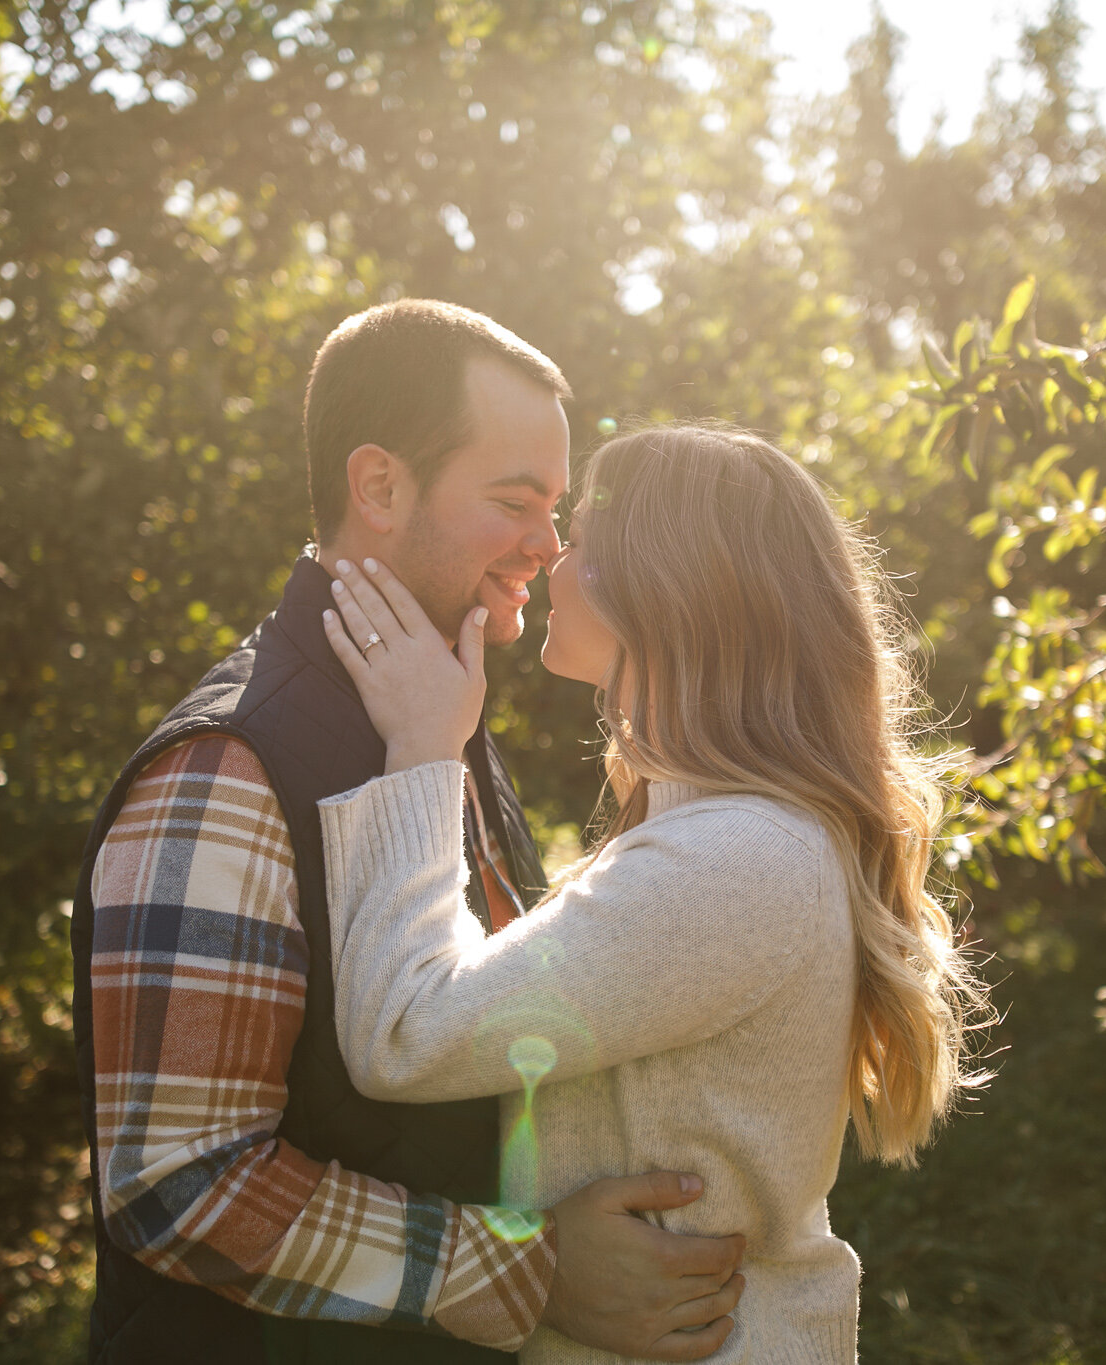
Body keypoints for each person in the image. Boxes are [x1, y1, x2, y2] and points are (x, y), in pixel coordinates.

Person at [70, 305, 748, 1364]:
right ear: (379, 487)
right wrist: (532, 1272)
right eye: (515, 503)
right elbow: (179, 1181)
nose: (549, 546)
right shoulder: (228, 770)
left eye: (554, 508)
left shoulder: (434, 719)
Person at [315, 424, 991, 1363]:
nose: (549, 550)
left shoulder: (734, 860)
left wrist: (424, 753)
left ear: (661, 585)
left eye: (581, 535)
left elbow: (404, 1034)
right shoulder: (724, 835)